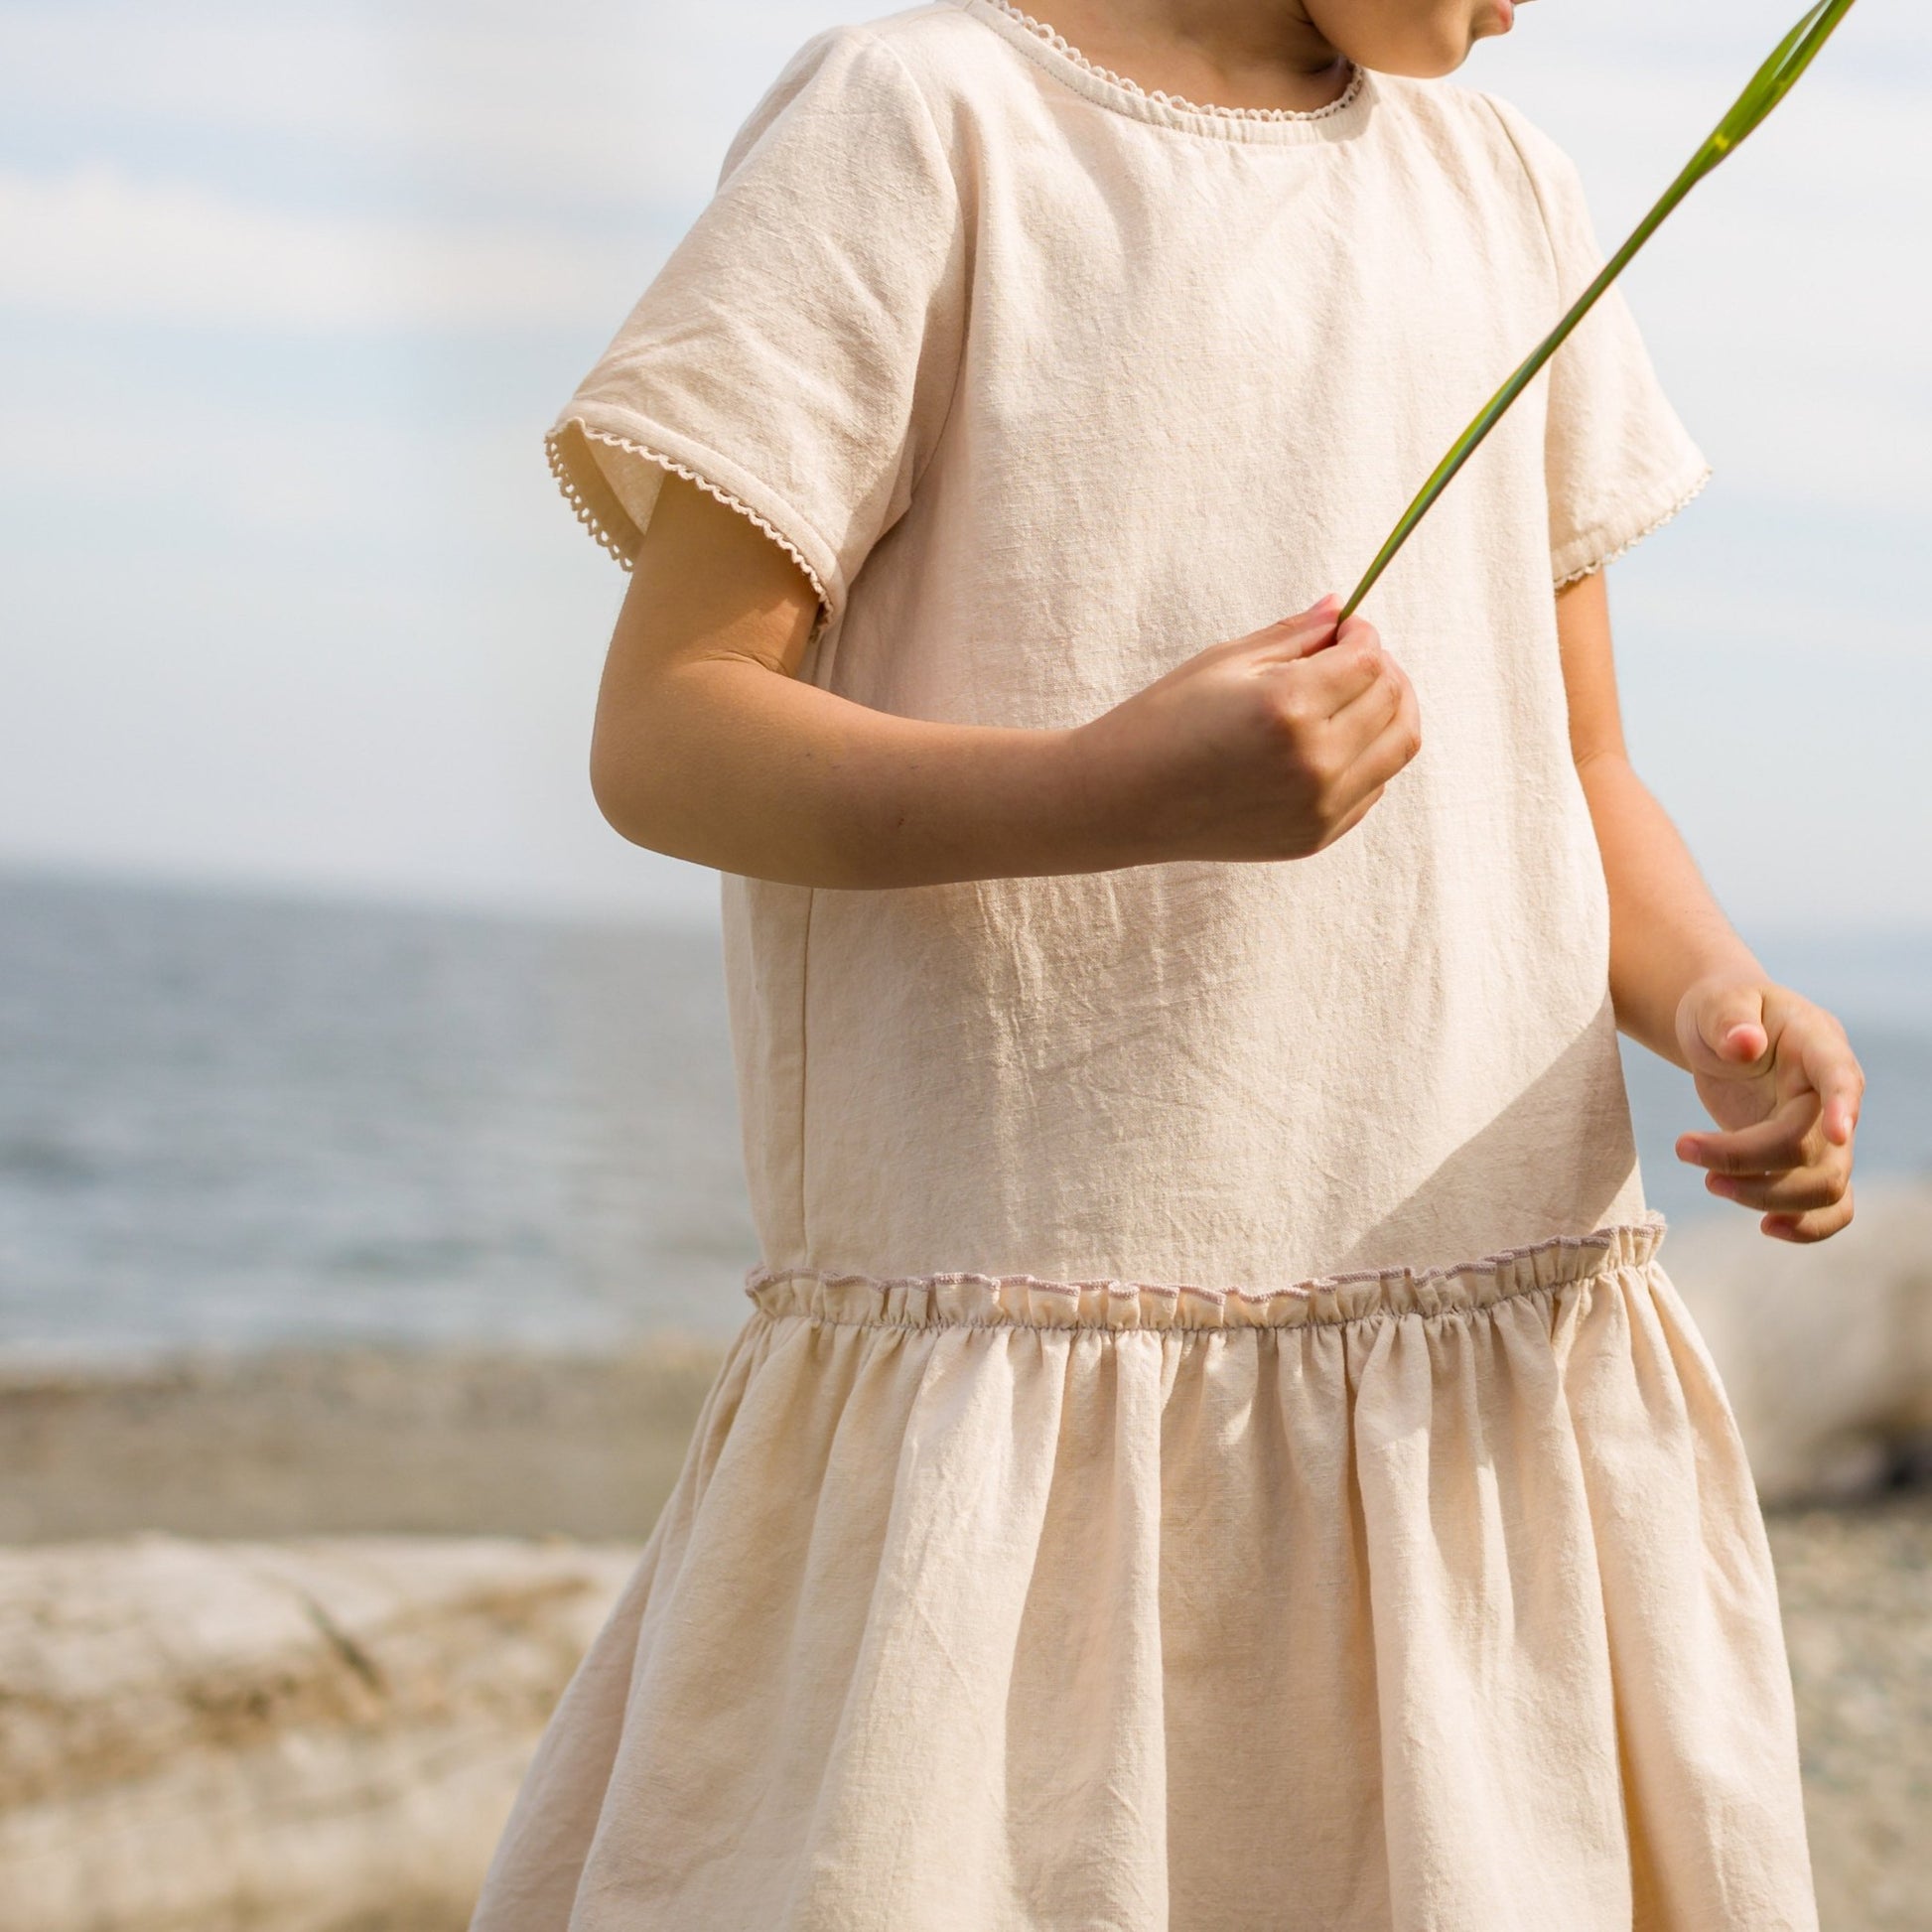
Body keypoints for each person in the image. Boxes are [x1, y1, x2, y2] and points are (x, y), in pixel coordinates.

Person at [470, 1, 1863, 1925]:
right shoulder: (922, 125)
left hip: (1474, 1408)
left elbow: (1581, 768)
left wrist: (1713, 997)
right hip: (1028, 1412)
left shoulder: (1509, 192)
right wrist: (1109, 785)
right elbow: (666, 728)